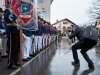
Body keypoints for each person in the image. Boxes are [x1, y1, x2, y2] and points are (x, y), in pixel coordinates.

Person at [4, 4, 20, 69]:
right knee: (11, 47)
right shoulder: (7, 10)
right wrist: (16, 16)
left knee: (16, 47)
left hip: (16, 31)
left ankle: (15, 61)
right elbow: (9, 18)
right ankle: (11, 63)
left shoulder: (16, 11)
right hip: (11, 30)